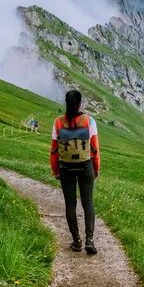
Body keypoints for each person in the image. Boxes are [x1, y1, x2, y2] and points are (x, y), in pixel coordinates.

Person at [50, 90, 100, 254]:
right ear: (80, 104)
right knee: (88, 202)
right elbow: (95, 148)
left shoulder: (58, 122)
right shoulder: (89, 121)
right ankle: (90, 240)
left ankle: (76, 240)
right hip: (86, 166)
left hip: (66, 167)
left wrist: (55, 170)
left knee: (70, 204)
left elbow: (54, 150)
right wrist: (96, 168)